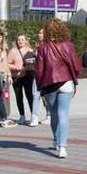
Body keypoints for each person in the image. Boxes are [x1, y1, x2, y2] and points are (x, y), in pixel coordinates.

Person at [35, 19, 81, 159]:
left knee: (54, 114)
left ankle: (56, 140)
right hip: (66, 82)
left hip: (49, 84)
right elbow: (76, 66)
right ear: (62, 29)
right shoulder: (69, 45)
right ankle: (63, 147)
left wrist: (39, 86)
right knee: (63, 114)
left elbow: (39, 70)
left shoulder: (43, 47)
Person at [8, 34, 37, 125]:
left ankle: (33, 115)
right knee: (18, 96)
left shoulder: (30, 50)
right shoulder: (13, 51)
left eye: (22, 40)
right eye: (19, 40)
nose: (20, 41)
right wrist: (16, 67)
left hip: (28, 76)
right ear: (16, 41)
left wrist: (30, 66)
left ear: (25, 40)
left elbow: (35, 62)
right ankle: (22, 116)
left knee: (30, 96)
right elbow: (7, 64)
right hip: (17, 77)